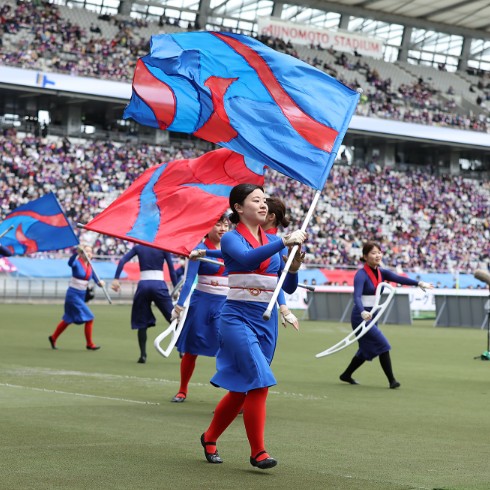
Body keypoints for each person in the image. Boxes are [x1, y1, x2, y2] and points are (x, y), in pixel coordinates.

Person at [200, 184, 306, 470]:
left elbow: (286, 284)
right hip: (236, 317)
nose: (263, 205)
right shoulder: (231, 239)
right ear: (238, 207)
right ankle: (258, 452)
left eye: (263, 200)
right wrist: (283, 243)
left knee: (241, 389)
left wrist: (293, 266)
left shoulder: (270, 239)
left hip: (265, 320)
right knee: (260, 381)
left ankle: (209, 437)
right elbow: (247, 259)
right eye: (255, 200)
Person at [339, 241, 433, 389]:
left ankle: (346, 375)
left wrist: (419, 283)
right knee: (383, 345)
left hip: (373, 315)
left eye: (379, 252)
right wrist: (363, 311)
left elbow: (400, 279)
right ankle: (392, 381)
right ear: (365, 256)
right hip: (361, 316)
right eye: (373, 253)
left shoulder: (382, 272)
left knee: (365, 350)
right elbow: (356, 296)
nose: (377, 255)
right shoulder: (361, 274)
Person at [170, 215, 230, 403]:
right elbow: (188, 280)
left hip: (226, 302)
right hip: (202, 301)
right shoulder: (199, 248)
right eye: (218, 224)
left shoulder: (232, 247)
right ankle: (182, 389)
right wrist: (179, 306)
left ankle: (234, 395)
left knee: (231, 345)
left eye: (226, 225)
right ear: (208, 226)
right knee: (191, 348)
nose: (222, 228)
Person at [111, 244, 178, 363]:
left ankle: (143, 355)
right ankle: (183, 349)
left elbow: (122, 261)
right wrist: (176, 288)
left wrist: (116, 279)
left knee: (142, 322)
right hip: (159, 285)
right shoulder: (164, 247)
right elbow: (172, 271)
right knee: (174, 318)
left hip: (143, 286)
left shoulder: (139, 247)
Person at [48, 244, 105, 350]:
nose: (89, 254)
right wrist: (76, 253)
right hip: (73, 295)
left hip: (81, 295)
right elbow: (70, 263)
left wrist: (100, 283)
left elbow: (96, 279)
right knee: (90, 317)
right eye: (86, 251)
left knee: (68, 319)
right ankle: (89, 344)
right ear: (81, 253)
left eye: (90, 252)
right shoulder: (77, 263)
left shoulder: (91, 266)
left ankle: (53, 337)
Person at [263, 196, 299, 330]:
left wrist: (293, 271)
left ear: (271, 217)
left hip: (267, 308)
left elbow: (286, 286)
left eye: (262, 208)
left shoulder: (281, 244)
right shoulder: (242, 237)